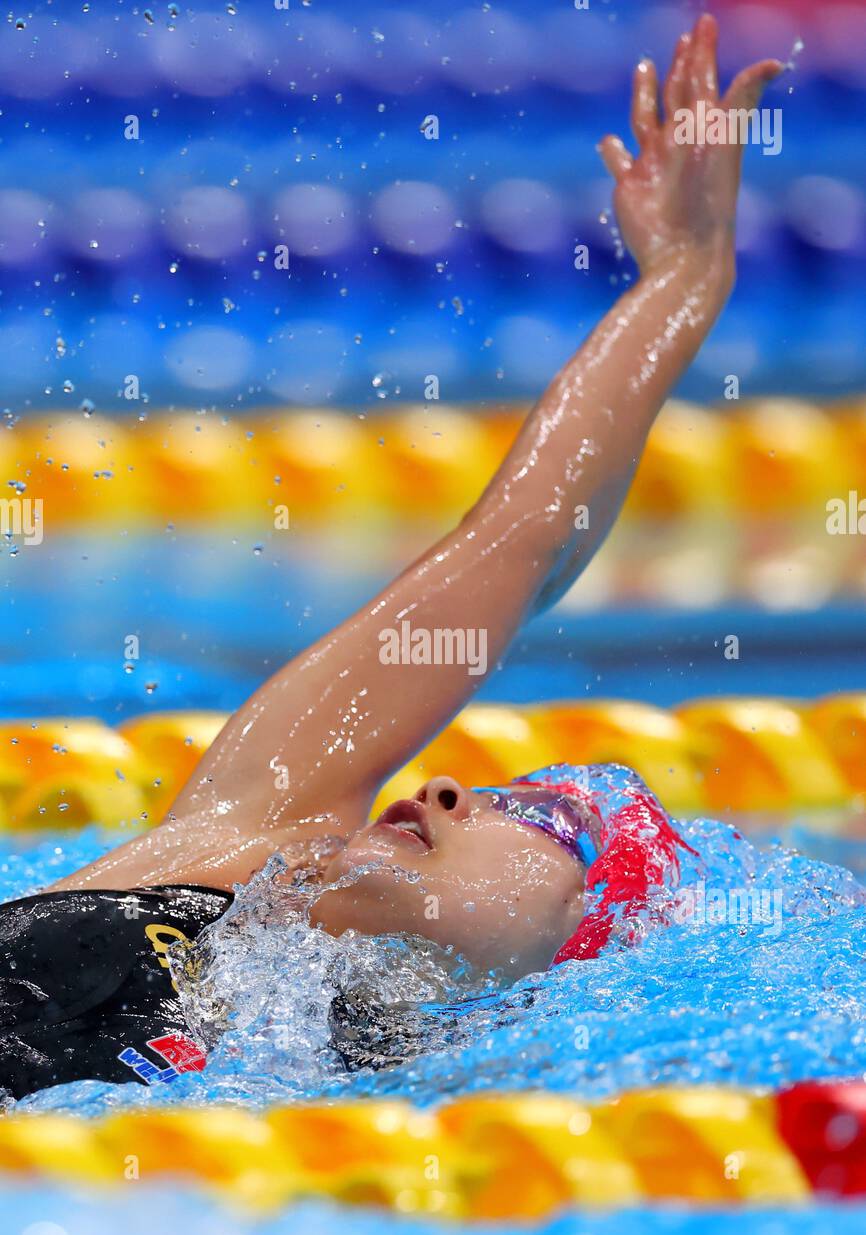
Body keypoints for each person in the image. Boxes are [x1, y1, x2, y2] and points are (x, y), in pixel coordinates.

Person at [0, 16, 781, 1100]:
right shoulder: (255, 836)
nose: (448, 787)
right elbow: (520, 541)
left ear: (570, 943)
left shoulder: (439, 1133)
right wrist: (679, 285)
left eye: (544, 820)